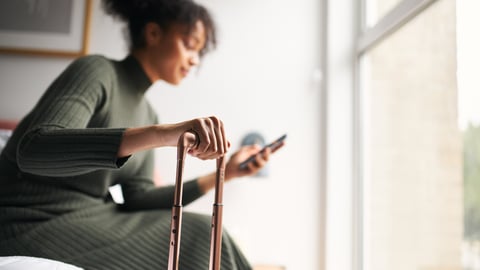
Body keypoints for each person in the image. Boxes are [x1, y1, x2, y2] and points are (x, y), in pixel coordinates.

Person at [0, 0, 278, 269]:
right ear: (153, 33)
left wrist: (226, 173)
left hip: (93, 215)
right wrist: (163, 134)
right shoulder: (96, 71)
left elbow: (138, 197)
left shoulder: (147, 113)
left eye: (199, 52)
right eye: (190, 45)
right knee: (200, 237)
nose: (194, 60)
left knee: (205, 231)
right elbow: (33, 150)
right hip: (28, 220)